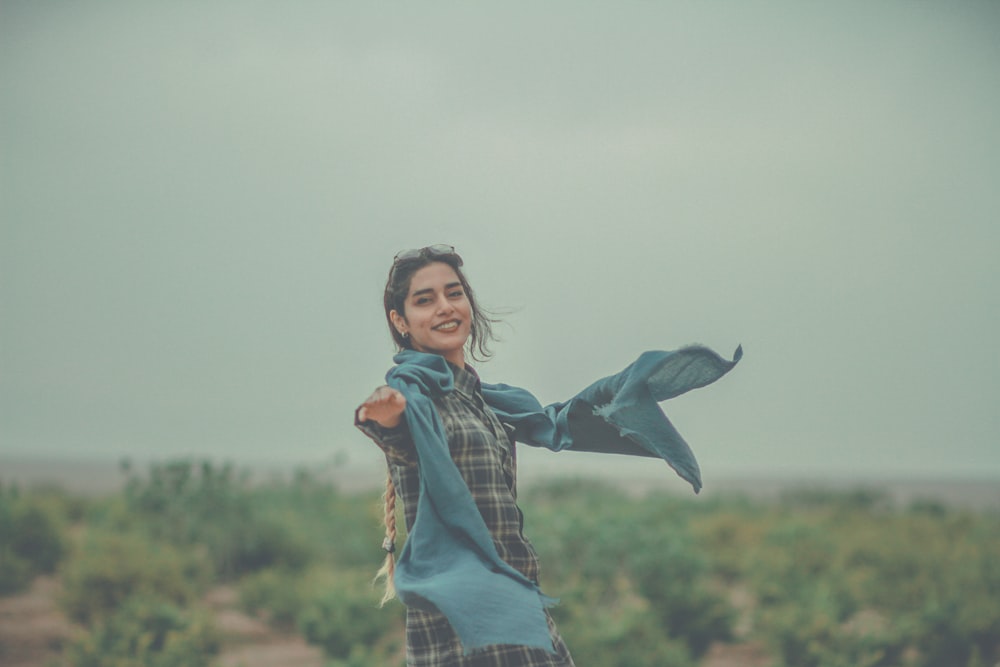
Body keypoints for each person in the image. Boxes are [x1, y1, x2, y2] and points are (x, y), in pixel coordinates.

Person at [356, 244, 740, 667]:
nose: (445, 307)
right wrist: (385, 416)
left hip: (515, 596)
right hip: (461, 619)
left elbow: (559, 418)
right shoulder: (414, 397)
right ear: (401, 320)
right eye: (425, 300)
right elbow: (397, 435)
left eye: (454, 293)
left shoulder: (487, 403)